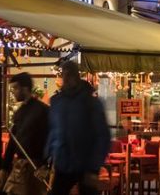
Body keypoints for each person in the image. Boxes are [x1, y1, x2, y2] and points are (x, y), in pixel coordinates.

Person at [46, 60, 111, 195]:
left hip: (85, 163)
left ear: (77, 76)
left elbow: (102, 136)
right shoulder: (57, 102)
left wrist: (94, 168)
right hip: (64, 162)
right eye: (65, 75)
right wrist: (47, 157)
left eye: (71, 75)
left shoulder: (90, 102)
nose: (68, 78)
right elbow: (53, 131)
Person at [0, 72, 49, 195]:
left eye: (15, 88)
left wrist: (46, 165)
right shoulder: (20, 112)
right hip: (21, 164)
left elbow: (49, 139)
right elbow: (13, 141)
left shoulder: (42, 110)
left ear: (25, 88)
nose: (13, 92)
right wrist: (5, 168)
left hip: (35, 166)